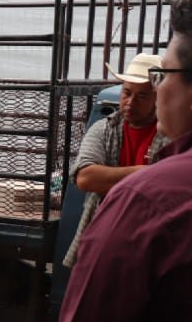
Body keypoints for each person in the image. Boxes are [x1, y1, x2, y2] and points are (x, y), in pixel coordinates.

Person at [58, 0, 192, 322]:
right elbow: (85, 176)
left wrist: (152, 176)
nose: (138, 97)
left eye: (159, 77)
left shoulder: (149, 199)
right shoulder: (107, 129)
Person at [63, 53, 170, 267]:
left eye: (141, 97)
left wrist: (112, 178)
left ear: (157, 98)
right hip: (102, 231)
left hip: (149, 240)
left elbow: (172, 185)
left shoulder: (170, 135)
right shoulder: (104, 129)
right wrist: (148, 173)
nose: (130, 102)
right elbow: (85, 177)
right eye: (127, 93)